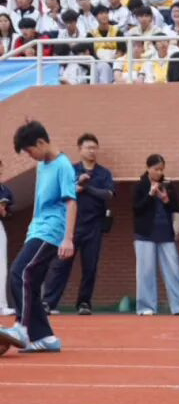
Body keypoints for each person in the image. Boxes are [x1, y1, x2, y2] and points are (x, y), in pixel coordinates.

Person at [0, 121, 76, 353]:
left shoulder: (64, 166)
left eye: (29, 150)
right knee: (30, 282)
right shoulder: (42, 165)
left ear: (41, 142)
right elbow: (38, 197)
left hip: (53, 231)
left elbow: (71, 202)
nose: (30, 156)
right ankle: (45, 337)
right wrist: (32, 225)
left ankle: (22, 328)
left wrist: (68, 238)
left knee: (19, 272)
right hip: (39, 229)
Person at [41, 133, 115, 317]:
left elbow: (108, 195)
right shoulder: (71, 170)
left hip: (94, 226)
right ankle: (48, 302)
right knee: (60, 264)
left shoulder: (104, 173)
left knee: (90, 267)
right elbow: (61, 193)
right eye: (88, 147)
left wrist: (87, 188)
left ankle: (84, 303)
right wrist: (77, 186)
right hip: (71, 225)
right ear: (80, 150)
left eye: (94, 148)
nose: (92, 151)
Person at [132, 154, 179, 316]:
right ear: (148, 168)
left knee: (174, 270)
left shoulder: (167, 185)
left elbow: (175, 207)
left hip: (166, 233)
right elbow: (137, 209)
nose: (159, 173)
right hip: (145, 234)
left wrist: (165, 198)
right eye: (156, 169)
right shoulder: (140, 185)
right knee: (146, 271)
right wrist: (150, 194)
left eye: (161, 169)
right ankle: (146, 307)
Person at [0, 160, 14, 316]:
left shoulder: (5, 190)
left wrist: (4, 211)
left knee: (1, 265)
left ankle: (1, 305)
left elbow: (10, 214)